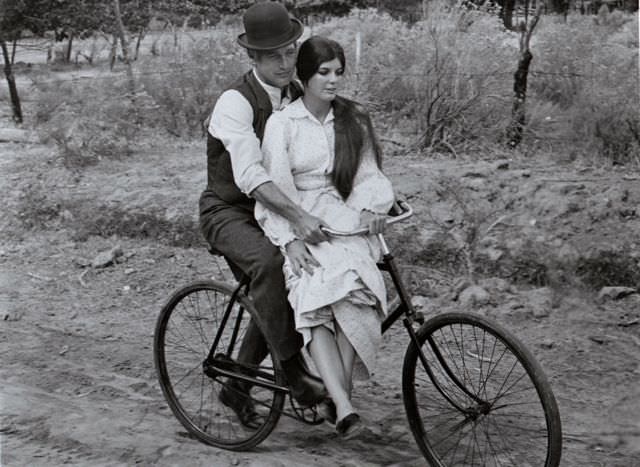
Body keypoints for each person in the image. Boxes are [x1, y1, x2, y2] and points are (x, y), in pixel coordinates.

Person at [255, 36, 395, 439]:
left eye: (338, 73)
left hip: (344, 218)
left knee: (357, 289)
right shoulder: (284, 124)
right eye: (323, 73)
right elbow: (276, 190)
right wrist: (291, 237)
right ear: (304, 75)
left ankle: (338, 397)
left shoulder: (350, 119)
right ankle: (345, 405)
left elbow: (369, 173)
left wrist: (372, 207)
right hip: (302, 220)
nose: (333, 81)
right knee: (317, 293)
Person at [199, 2, 328, 429]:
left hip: (274, 209)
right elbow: (251, 175)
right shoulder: (234, 102)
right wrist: (298, 217)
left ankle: (237, 386)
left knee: (300, 276)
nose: (284, 62)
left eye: (290, 52)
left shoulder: (296, 94)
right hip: (230, 210)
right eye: (272, 55)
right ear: (252, 57)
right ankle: (292, 372)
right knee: (271, 264)